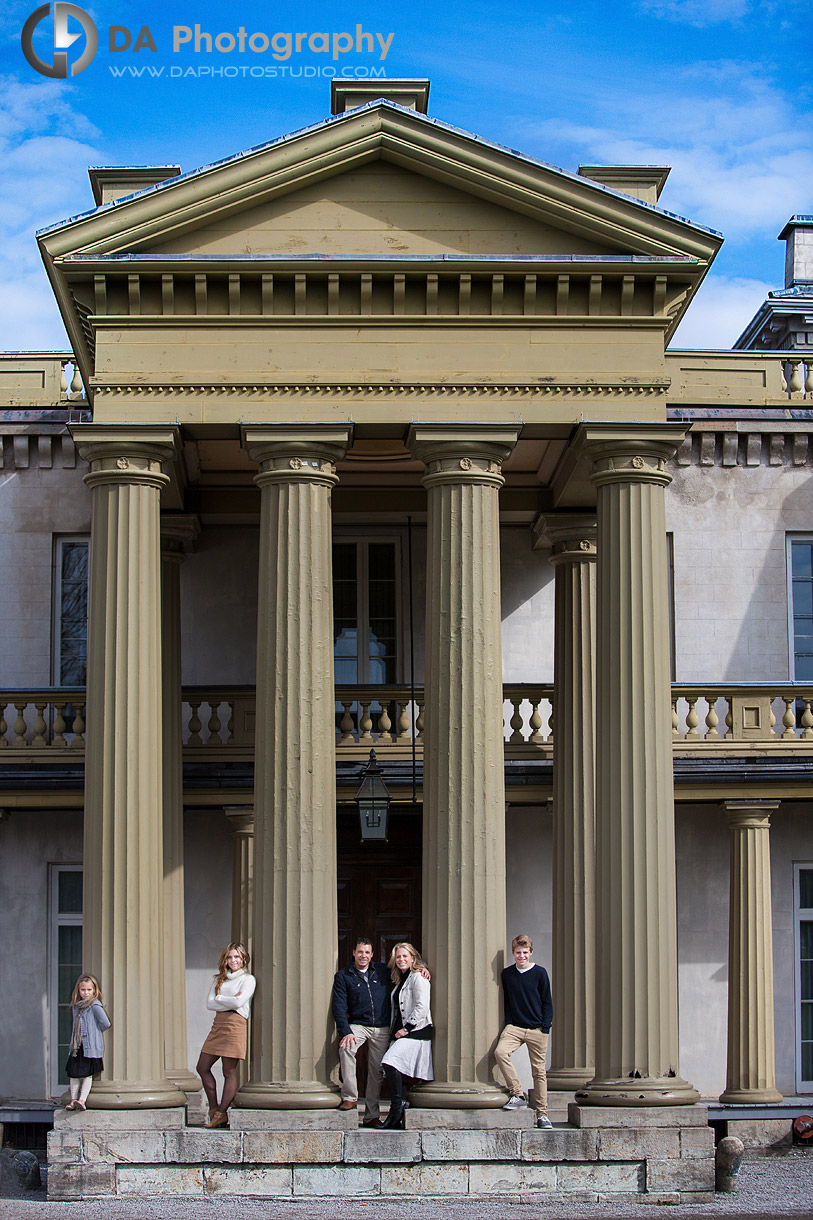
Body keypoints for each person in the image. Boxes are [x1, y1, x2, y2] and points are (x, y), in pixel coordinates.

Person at [495, 933, 554, 1129]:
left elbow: (547, 1002)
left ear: (531, 953)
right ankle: (518, 1093)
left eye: (525, 952)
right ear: (513, 953)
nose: (521, 956)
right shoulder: (507, 974)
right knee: (500, 1053)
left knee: (539, 1073)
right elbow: (507, 1002)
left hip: (537, 1029)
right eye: (518, 953)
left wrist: (545, 1027)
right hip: (515, 1027)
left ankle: (542, 1115)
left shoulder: (540, 973)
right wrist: (509, 1022)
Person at [332, 938, 394, 1126]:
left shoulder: (383, 971)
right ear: (353, 953)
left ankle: (371, 1115)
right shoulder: (344, 976)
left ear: (372, 954)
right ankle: (350, 1097)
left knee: (376, 1071)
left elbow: (405, 967)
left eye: (367, 952)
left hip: (382, 1027)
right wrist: (346, 1031)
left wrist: (421, 968)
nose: (363, 956)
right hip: (358, 1025)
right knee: (346, 1049)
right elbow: (339, 1006)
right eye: (360, 952)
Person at [196, 941, 255, 1129]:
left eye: (237, 956)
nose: (233, 960)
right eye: (229, 957)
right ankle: (214, 1109)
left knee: (228, 1071)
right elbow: (209, 1004)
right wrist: (227, 1000)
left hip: (235, 1024)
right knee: (202, 1067)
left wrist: (221, 998)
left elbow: (239, 1003)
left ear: (243, 958)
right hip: (218, 1024)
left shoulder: (248, 979)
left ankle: (222, 1112)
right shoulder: (219, 978)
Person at [378, 942, 433, 1130]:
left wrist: (407, 1028)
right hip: (401, 1033)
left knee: (390, 1062)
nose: (401, 959)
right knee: (398, 1070)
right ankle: (396, 1116)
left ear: (412, 958)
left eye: (405, 956)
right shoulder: (400, 978)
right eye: (398, 957)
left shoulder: (418, 977)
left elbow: (422, 1006)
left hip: (416, 1032)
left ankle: (398, 1106)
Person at [64, 974, 110, 1111]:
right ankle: (73, 1100)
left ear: (94, 991)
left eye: (89, 990)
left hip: (89, 1046)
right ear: (78, 991)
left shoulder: (95, 1006)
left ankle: (82, 1100)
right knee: (74, 1073)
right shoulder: (77, 1007)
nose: (86, 993)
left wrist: (93, 1033)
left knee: (86, 1074)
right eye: (83, 990)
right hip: (77, 1046)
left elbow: (105, 1023)